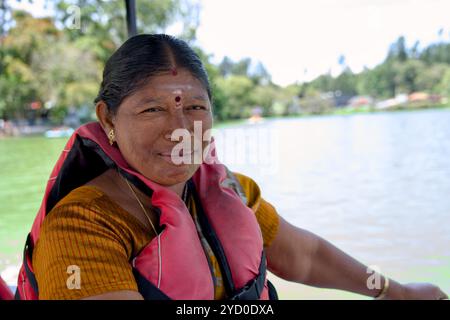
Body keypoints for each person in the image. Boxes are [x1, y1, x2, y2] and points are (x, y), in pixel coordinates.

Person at [16, 34, 447, 300]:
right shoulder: (81, 226)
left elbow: (307, 257)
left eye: (196, 107)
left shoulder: (232, 191)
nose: (181, 130)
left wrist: (395, 291)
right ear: (108, 119)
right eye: (152, 110)